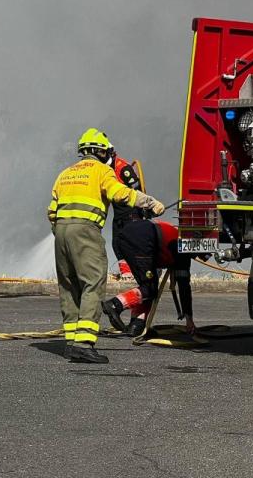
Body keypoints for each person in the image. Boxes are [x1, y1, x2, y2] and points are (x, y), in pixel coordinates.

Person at [48, 128, 163, 363]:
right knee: (92, 283)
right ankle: (84, 343)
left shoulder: (65, 173)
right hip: (86, 231)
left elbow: (52, 211)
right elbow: (121, 193)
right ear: (101, 152)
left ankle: (71, 341)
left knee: (69, 285)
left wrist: (62, 231)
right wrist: (150, 202)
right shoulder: (102, 170)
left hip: (60, 231)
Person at [103, 217, 196, 337]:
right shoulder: (184, 252)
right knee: (149, 289)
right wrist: (189, 319)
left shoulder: (176, 237)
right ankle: (114, 304)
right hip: (143, 240)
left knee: (148, 286)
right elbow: (184, 288)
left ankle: (137, 326)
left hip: (127, 238)